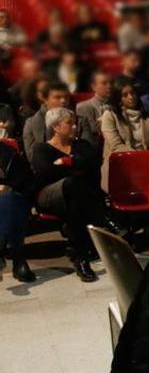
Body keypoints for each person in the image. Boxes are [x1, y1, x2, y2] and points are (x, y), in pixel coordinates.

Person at [31, 107, 112, 281]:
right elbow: (46, 173)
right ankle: (104, 219)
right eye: (69, 123)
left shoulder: (81, 145)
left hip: (76, 196)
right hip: (49, 195)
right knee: (75, 184)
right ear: (56, 127)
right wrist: (77, 168)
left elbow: (94, 164)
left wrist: (69, 161)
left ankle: (80, 257)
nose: (75, 126)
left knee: (75, 199)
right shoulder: (42, 149)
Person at [22, 82, 92, 157]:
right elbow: (31, 156)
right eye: (57, 97)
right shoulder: (31, 123)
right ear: (45, 99)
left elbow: (88, 152)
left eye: (66, 97)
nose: (63, 101)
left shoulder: (81, 121)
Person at [0, 137, 35, 282]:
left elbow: (27, 179)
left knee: (10, 200)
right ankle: (18, 259)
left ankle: (5, 249)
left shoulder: (8, 153)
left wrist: (8, 186)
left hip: (10, 200)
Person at [100, 78, 149, 161]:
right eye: (125, 95)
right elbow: (116, 146)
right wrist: (139, 156)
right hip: (120, 162)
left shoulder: (147, 116)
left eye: (132, 93)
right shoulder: (109, 115)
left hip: (145, 160)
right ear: (118, 99)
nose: (131, 97)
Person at [75, 71, 113, 145]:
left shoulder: (118, 105)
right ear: (93, 86)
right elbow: (92, 131)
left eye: (111, 83)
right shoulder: (83, 107)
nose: (109, 86)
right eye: (104, 83)